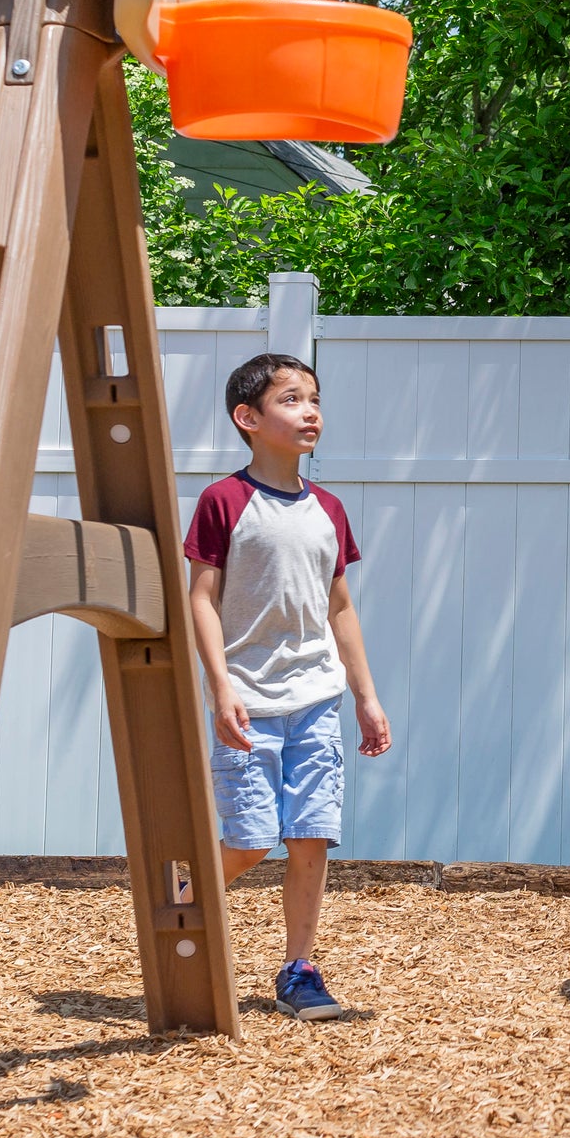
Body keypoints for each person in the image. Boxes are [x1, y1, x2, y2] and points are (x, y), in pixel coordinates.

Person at [185, 352, 392, 1020]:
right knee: (248, 840)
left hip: (316, 703)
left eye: (314, 399)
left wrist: (365, 696)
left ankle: (299, 969)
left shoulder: (327, 508)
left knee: (309, 836)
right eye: (292, 399)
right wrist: (220, 688)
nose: (310, 411)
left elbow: (340, 609)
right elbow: (202, 600)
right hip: (248, 702)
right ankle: (182, 909)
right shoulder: (224, 501)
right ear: (247, 418)